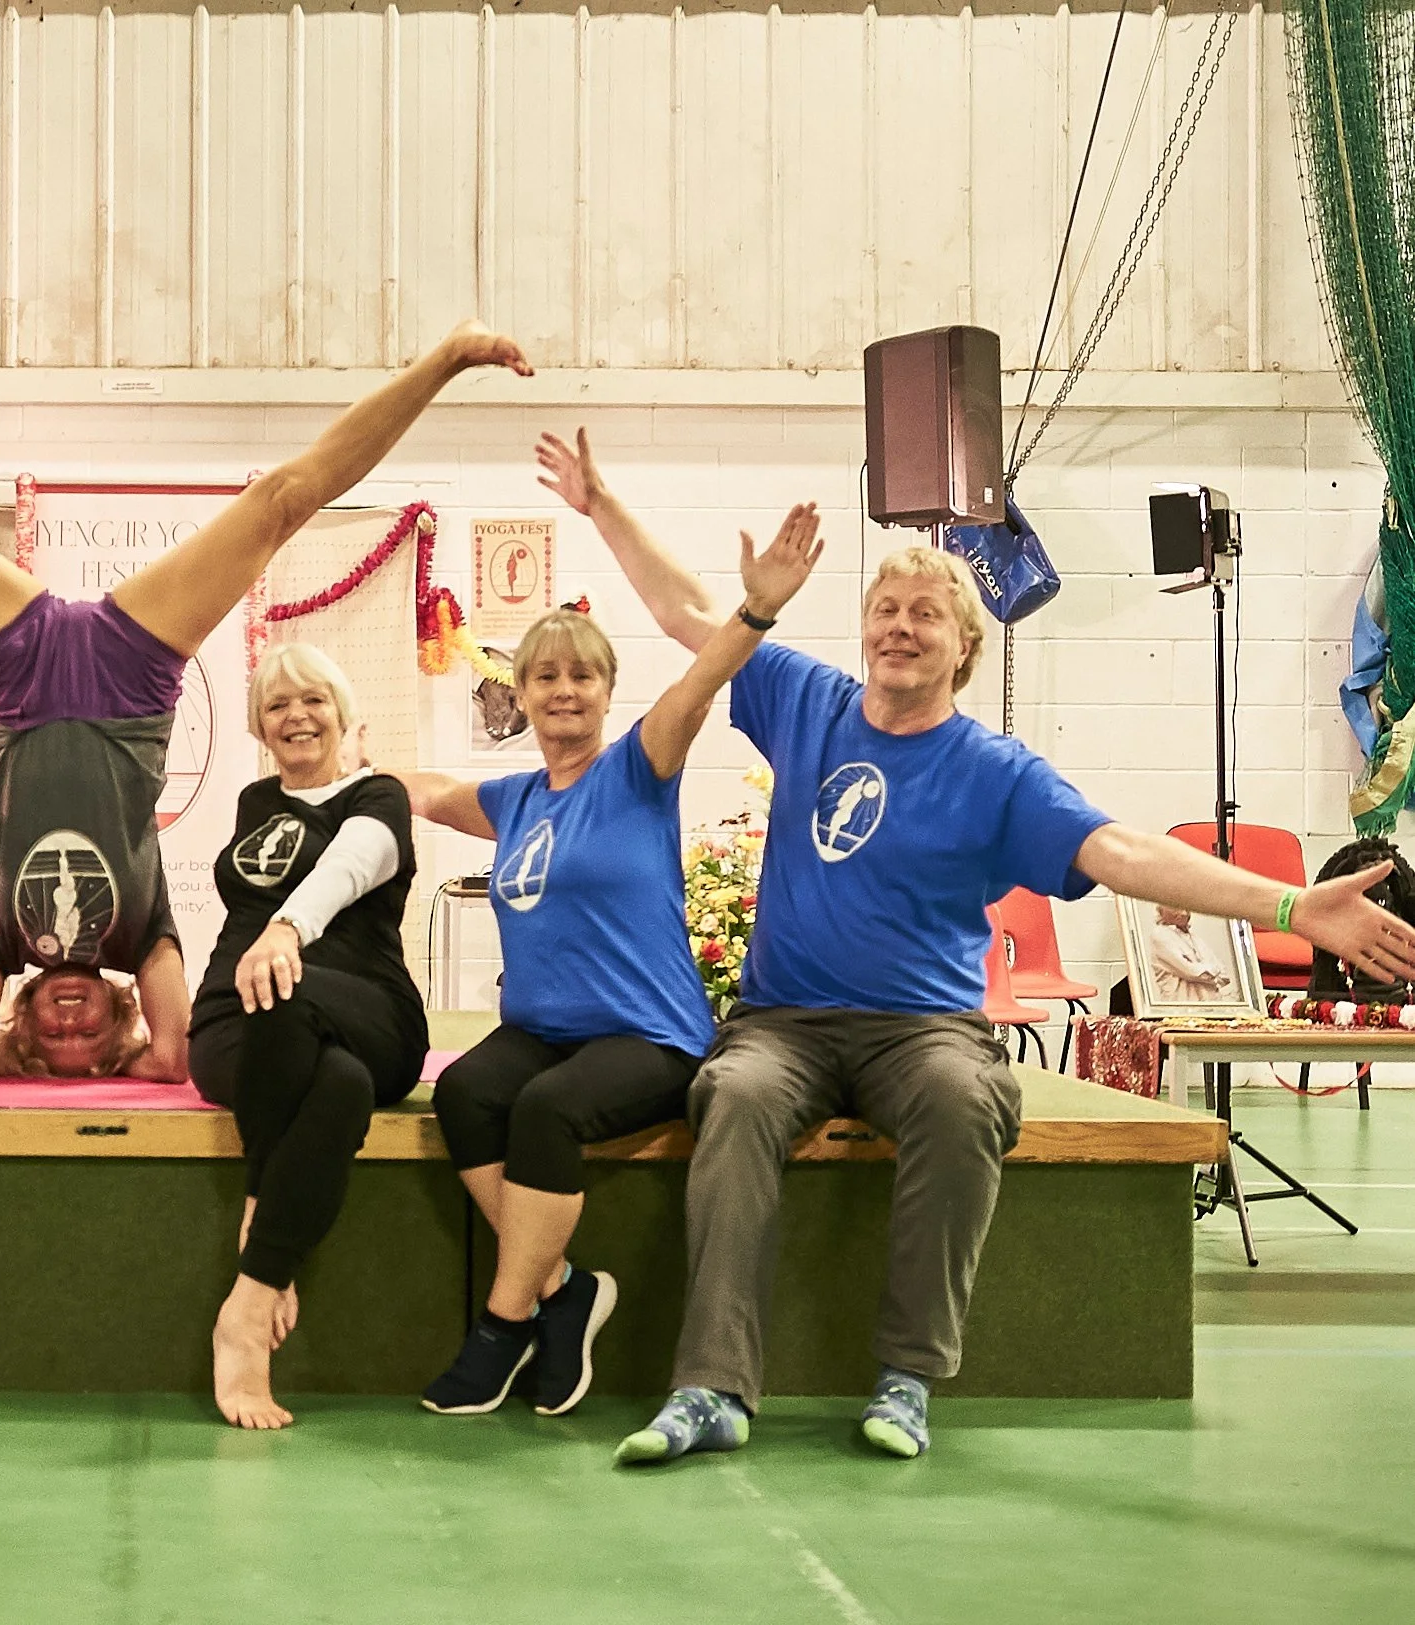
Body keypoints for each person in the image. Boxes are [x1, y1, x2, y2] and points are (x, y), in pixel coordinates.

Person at [531, 428, 1415, 1463]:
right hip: (785, 1024)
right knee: (729, 1098)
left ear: (963, 646)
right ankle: (711, 1388)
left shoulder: (996, 771)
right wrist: (601, 507)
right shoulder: (804, 700)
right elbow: (692, 615)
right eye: (884, 610)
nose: (899, 627)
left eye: (925, 614)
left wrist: (1287, 908)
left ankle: (905, 1380)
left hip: (923, 1031)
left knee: (964, 1099)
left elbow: (1124, 851)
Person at [0, 319, 532, 1079]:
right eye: (85, 1034)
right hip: (132, 680)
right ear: (117, 1014)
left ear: (25, 1014)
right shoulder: (138, 936)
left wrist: (18, 1061)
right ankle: (445, 360)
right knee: (277, 504)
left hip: (15, 675)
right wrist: (122, 1058)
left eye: (52, 1034)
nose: (67, 1021)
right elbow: (176, 1053)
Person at [404, 499, 824, 1421]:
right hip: (545, 1030)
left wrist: (755, 613)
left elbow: (703, 678)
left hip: (651, 1036)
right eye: (546, 675)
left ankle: (504, 1322)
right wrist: (339, 773)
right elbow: (431, 793)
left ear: (604, 691)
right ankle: (565, 1290)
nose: (563, 690)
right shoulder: (514, 799)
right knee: (470, 1093)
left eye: (582, 676)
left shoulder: (639, 764)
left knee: (548, 1113)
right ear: (520, 690)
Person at [188, 644, 425, 1429]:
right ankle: (262, 1278)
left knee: (287, 998)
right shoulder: (257, 801)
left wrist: (289, 928)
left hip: (367, 1008)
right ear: (259, 724)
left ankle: (250, 1289)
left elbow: (354, 864)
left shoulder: (378, 794)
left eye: (313, 699)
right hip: (242, 1019)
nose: (297, 716)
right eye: (279, 704)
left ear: (344, 712)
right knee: (338, 1085)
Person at [1147, 906, 1233, 1002]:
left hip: (1211, 1007)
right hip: (1181, 1009)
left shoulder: (1196, 938)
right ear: (1161, 910)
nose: (1184, 913)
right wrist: (1212, 973)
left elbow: (1224, 975)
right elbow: (1190, 971)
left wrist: (1206, 972)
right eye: (1176, 907)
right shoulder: (1160, 935)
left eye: (1187, 908)